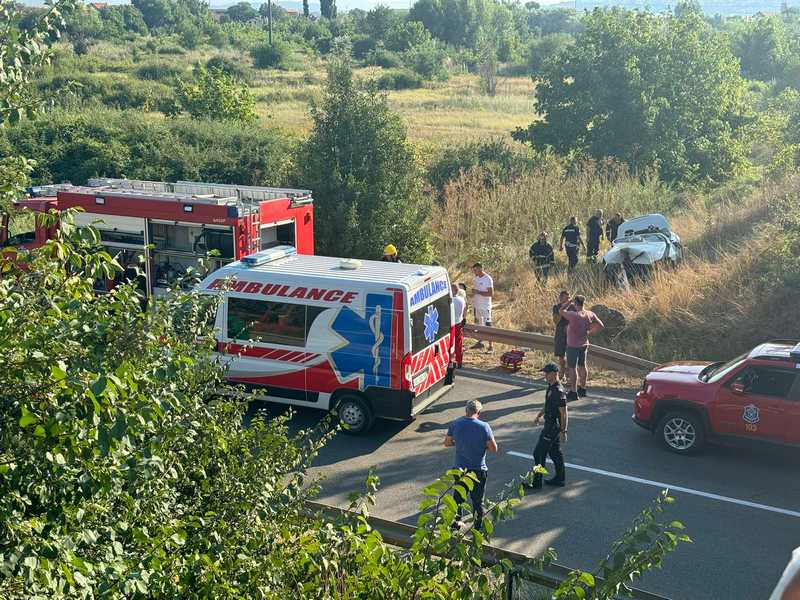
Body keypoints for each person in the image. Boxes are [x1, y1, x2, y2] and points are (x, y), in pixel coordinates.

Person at [444, 399, 498, 530]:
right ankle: (477, 528)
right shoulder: (484, 426)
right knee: (477, 502)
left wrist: (460, 443)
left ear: (466, 410)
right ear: (478, 412)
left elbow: (447, 443)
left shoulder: (455, 423)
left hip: (459, 469)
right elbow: (493, 448)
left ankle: (455, 525)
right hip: (478, 470)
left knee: (458, 499)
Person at [527, 363, 568, 489]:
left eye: (547, 373)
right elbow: (548, 405)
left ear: (555, 374)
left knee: (538, 453)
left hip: (552, 428)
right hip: (549, 425)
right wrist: (539, 415)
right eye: (545, 373)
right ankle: (560, 479)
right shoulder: (550, 387)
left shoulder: (558, 391)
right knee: (555, 452)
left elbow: (564, 413)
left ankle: (536, 482)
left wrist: (563, 431)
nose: (545, 375)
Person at [559, 295, 604, 400]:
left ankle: (573, 391)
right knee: (582, 366)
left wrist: (568, 302)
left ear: (575, 303)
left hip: (572, 345)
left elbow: (561, 310)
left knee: (572, 367)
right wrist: (590, 332)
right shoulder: (590, 314)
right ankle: (583, 389)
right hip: (584, 344)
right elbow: (601, 325)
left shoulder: (573, 315)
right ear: (584, 302)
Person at [470, 263, 494, 353]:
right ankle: (480, 342)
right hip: (477, 305)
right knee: (479, 325)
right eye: (473, 270)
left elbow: (491, 294)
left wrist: (478, 292)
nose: (474, 272)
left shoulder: (488, 279)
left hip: (485, 306)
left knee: (488, 326)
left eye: (475, 270)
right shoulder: (476, 278)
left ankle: (491, 346)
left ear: (480, 269)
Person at [552, 290, 573, 378]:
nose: (568, 299)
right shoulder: (556, 307)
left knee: (570, 354)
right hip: (560, 333)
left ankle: (568, 373)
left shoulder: (573, 307)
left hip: (571, 333)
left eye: (569, 298)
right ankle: (562, 372)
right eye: (566, 298)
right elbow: (556, 321)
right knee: (561, 355)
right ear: (560, 298)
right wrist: (562, 310)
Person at [451, 283, 465, 368]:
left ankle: (451, 360)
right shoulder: (461, 299)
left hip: (452, 324)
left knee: (451, 343)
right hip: (459, 322)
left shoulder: (451, 300)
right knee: (459, 343)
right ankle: (459, 361)